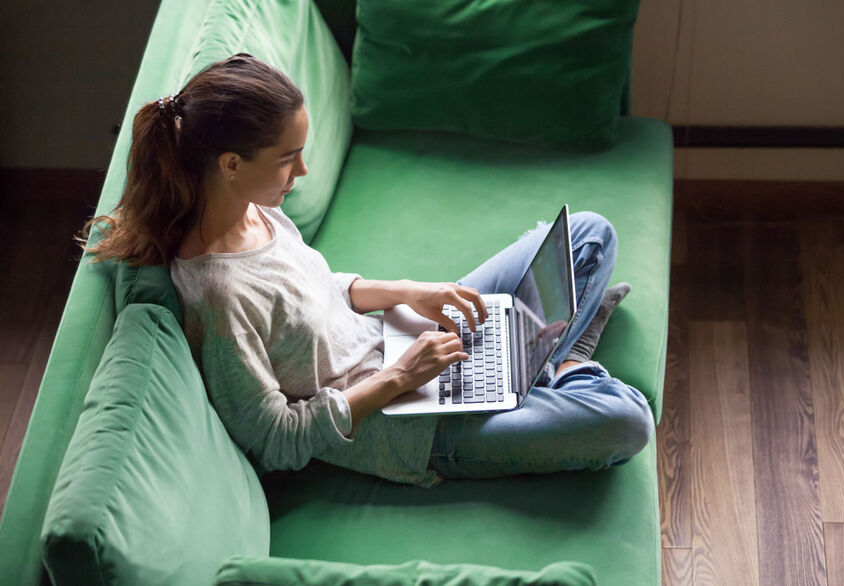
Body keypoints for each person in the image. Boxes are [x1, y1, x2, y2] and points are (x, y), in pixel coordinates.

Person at [82, 53, 654, 487]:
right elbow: (273, 439)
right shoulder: (218, 297)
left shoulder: (256, 211)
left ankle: (534, 359)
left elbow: (315, 292)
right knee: (627, 421)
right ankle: (564, 361)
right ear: (231, 164)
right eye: (288, 159)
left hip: (405, 340)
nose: (302, 170)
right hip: (405, 425)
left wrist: (414, 293)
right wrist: (402, 378)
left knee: (590, 235)